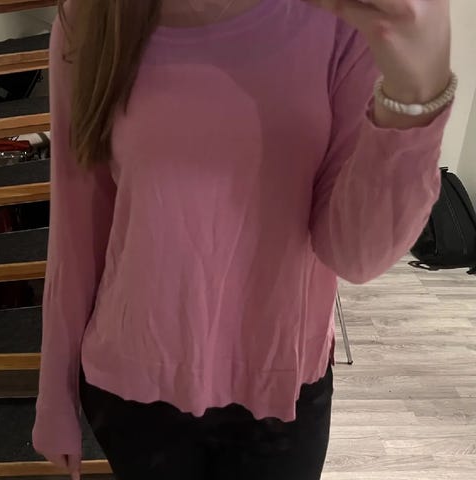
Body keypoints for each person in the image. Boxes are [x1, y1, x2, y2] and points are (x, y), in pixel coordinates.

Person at [32, 0, 454, 479]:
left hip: (280, 389)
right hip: (133, 390)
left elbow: (354, 255)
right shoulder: (92, 17)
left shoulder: (342, 20)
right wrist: (55, 395)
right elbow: (76, 230)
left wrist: (415, 97)